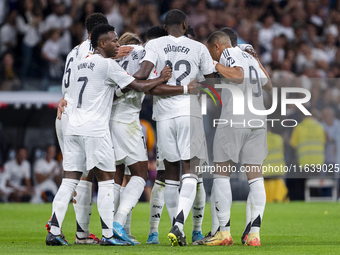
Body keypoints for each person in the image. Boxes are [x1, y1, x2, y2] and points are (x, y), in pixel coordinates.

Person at [46, 24, 171, 246]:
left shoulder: (79, 64)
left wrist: (62, 101)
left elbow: (68, 97)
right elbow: (139, 86)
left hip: (73, 127)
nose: (118, 45)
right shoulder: (107, 66)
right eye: (114, 41)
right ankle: (109, 234)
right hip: (95, 130)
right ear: (101, 43)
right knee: (106, 180)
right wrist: (161, 78)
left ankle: (54, 230)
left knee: (69, 180)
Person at [133, 9, 214, 246]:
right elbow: (212, 83)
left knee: (170, 174)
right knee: (190, 170)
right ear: (186, 25)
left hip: (164, 115)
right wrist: (197, 88)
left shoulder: (155, 45)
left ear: (165, 27)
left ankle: (173, 228)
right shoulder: (198, 48)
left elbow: (145, 79)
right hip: (189, 112)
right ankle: (179, 224)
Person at [204, 31, 272, 246]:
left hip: (234, 120)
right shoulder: (251, 57)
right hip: (258, 120)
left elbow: (238, 75)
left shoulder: (227, 53)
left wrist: (214, 64)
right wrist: (257, 61)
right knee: (256, 178)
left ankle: (223, 233)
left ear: (217, 46)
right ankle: (254, 234)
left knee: (221, 175)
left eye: (210, 52)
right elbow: (268, 84)